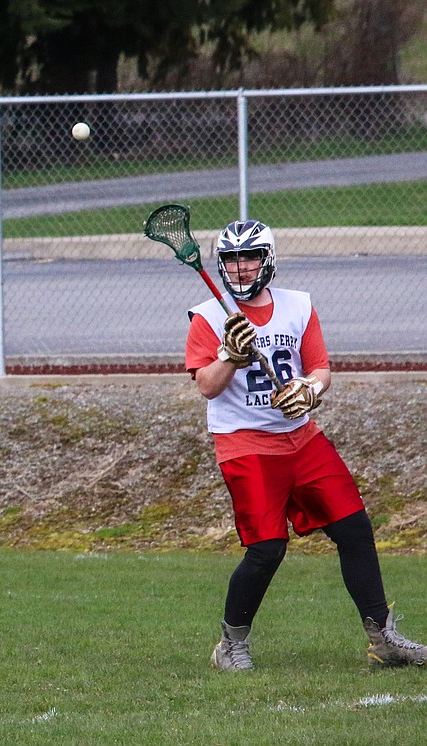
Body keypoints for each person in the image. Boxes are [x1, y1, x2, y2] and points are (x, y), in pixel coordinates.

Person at [185, 219, 427, 671]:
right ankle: (231, 644)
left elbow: (319, 368)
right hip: (245, 443)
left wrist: (309, 390)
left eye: (249, 256)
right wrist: (229, 357)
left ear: (268, 259)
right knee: (267, 548)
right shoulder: (207, 316)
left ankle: (384, 639)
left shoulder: (298, 306)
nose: (239, 268)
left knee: (354, 528)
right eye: (231, 259)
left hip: (303, 439)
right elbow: (206, 387)